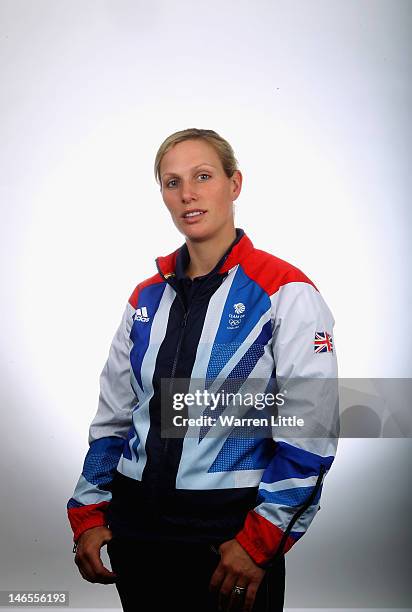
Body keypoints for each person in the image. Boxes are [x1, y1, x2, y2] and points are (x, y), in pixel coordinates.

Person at [67, 128, 339, 612]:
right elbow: (114, 420)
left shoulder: (284, 290)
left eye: (203, 176)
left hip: (227, 541)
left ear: (234, 184)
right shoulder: (145, 297)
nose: (187, 193)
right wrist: (87, 512)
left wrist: (260, 542)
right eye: (172, 182)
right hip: (137, 532)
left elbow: (312, 431)